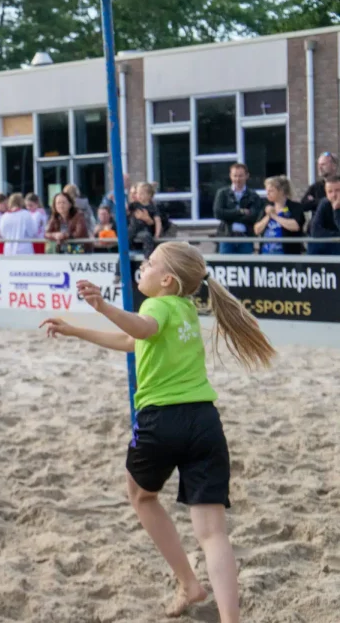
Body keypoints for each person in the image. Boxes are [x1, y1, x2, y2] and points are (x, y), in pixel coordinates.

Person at [42, 241, 275, 623]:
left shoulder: (156, 306)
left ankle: (189, 582)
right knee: (213, 533)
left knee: (141, 495)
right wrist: (76, 330)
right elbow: (133, 341)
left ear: (167, 279)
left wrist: (103, 306)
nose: (143, 266)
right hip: (204, 421)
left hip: (161, 421)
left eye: (150, 263)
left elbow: (142, 326)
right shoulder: (184, 308)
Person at [213, 162, 264, 255]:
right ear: (230, 176)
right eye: (235, 176)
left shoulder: (253, 195)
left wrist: (229, 215)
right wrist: (241, 211)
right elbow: (218, 213)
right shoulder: (223, 193)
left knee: (246, 267)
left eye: (240, 176)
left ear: (247, 176)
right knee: (225, 266)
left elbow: (254, 216)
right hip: (226, 237)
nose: (237, 179)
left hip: (245, 238)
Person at [253, 176, 304, 255]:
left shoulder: (294, 207)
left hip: (286, 254)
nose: (268, 193)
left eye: (271, 191)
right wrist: (268, 216)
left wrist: (275, 216)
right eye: (267, 190)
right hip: (266, 253)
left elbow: (295, 226)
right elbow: (257, 230)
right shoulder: (267, 207)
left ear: (281, 191)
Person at [128, 183, 167, 258]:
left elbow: (157, 221)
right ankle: (124, 255)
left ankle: (147, 257)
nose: (138, 195)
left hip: (143, 229)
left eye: (141, 193)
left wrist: (157, 234)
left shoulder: (153, 208)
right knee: (125, 237)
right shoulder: (134, 204)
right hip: (132, 228)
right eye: (138, 193)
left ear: (149, 196)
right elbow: (126, 210)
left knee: (147, 236)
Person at [308, 175, 340, 255]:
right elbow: (315, 231)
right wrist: (337, 236)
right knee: (315, 244)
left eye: (338, 190)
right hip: (328, 246)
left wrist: (336, 211)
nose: (334, 195)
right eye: (330, 192)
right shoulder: (324, 203)